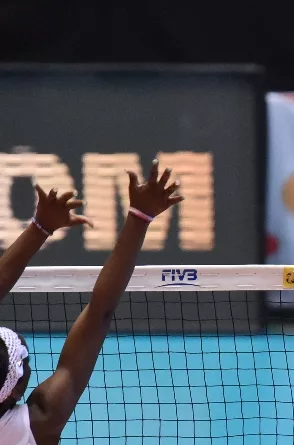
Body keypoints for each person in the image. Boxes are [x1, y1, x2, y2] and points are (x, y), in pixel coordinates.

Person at [0, 160, 183, 444]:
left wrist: (39, 227)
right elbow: (99, 313)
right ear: (16, 390)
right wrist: (139, 216)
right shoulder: (38, 425)